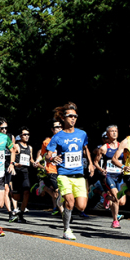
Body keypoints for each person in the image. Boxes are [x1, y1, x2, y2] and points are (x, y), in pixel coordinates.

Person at [46, 102, 95, 240]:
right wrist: (52, 159)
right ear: (63, 118)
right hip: (64, 174)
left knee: (81, 206)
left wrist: (91, 164)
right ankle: (67, 229)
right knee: (70, 202)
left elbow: (85, 149)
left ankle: (61, 199)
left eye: (75, 116)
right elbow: (47, 154)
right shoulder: (58, 136)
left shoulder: (82, 134)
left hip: (79, 174)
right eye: (70, 116)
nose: (73, 119)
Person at [94, 125, 126, 229]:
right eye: (111, 131)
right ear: (107, 134)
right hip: (109, 176)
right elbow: (95, 162)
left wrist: (125, 167)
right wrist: (101, 170)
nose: (114, 133)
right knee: (116, 197)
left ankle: (106, 197)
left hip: (120, 176)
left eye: (115, 131)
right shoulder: (104, 148)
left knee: (122, 201)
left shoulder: (122, 146)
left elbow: (126, 160)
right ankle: (115, 221)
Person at [35, 119, 64, 215]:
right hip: (52, 169)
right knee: (57, 190)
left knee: (59, 193)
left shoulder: (66, 140)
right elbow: (42, 154)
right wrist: (37, 160)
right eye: (56, 127)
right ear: (52, 129)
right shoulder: (47, 141)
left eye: (60, 127)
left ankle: (44, 188)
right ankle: (63, 213)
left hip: (64, 169)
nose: (59, 129)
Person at [12, 126, 35, 223]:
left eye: (28, 134)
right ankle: (12, 202)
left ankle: (21, 213)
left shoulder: (30, 148)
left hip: (25, 172)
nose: (26, 136)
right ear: (20, 136)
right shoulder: (16, 146)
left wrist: (34, 163)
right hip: (17, 172)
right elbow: (11, 160)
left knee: (26, 191)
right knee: (17, 196)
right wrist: (17, 164)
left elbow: (31, 159)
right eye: (24, 134)